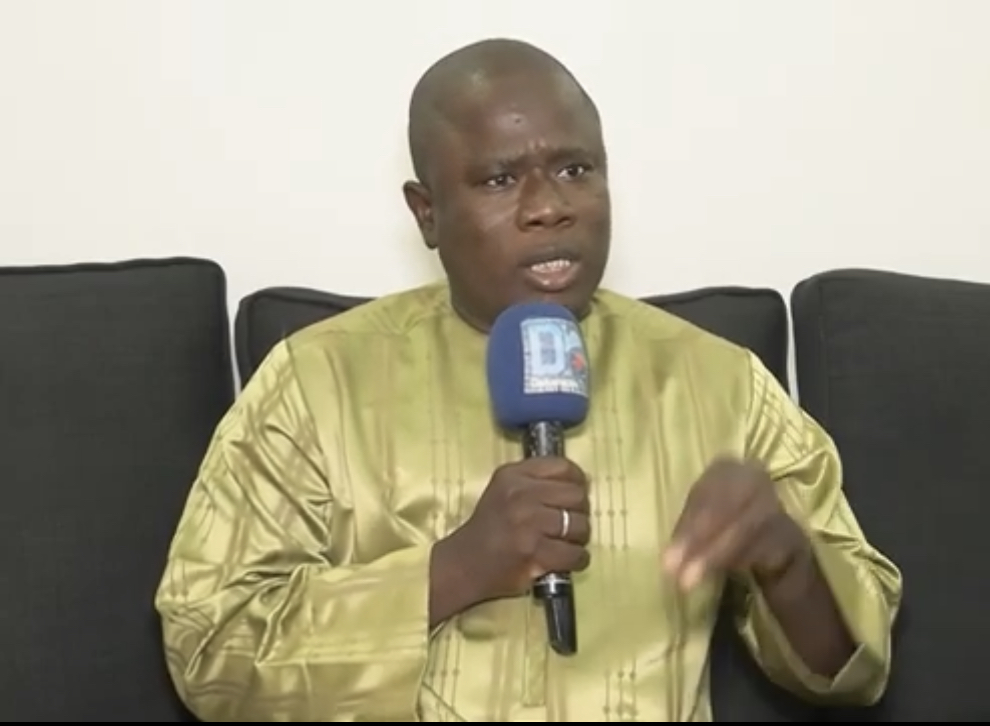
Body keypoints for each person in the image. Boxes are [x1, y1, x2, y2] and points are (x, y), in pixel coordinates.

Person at [154, 38, 903, 722]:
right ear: (426, 213)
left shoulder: (722, 386)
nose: (549, 207)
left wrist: (788, 562)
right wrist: (453, 571)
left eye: (576, 169)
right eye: (499, 178)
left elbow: (857, 669)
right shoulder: (315, 383)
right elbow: (208, 650)